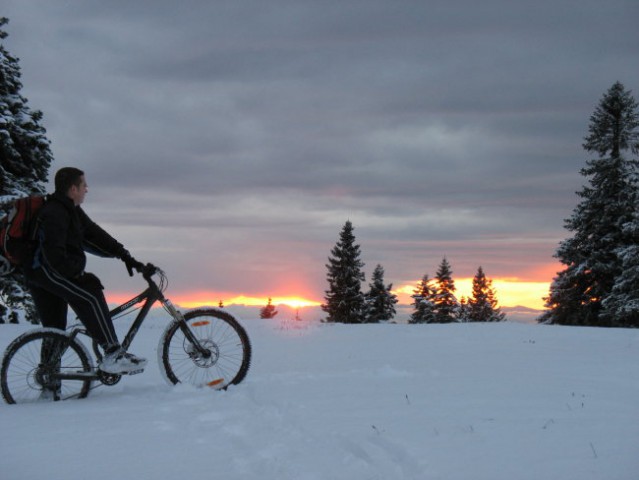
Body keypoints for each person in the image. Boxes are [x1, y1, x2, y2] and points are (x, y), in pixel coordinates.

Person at [24, 167, 147, 376]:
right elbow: (54, 256)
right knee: (90, 295)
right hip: (46, 272)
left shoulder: (69, 209)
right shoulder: (55, 213)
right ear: (73, 189)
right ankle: (112, 353)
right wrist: (77, 275)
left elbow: (94, 234)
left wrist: (125, 255)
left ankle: (48, 379)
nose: (86, 190)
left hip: (42, 273)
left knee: (55, 329)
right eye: (84, 185)